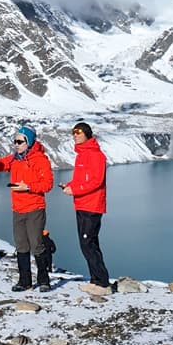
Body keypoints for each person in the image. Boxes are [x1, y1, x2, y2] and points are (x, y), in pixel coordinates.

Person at [0, 124, 54, 292]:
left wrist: (28, 187)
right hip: (18, 209)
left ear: (29, 142)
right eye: (15, 141)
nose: (16, 144)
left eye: (19, 141)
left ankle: (44, 280)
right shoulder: (14, 158)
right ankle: (25, 281)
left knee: (36, 245)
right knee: (21, 246)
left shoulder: (40, 160)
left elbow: (47, 184)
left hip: (35, 209)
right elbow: (0, 167)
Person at [61, 121, 112, 295]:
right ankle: (95, 281)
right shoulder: (81, 155)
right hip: (82, 204)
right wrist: (68, 185)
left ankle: (103, 284)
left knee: (88, 244)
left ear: (87, 134)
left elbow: (96, 181)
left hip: (92, 206)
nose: (74, 135)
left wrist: (74, 189)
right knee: (89, 244)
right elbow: (82, 179)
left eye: (78, 132)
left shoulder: (96, 155)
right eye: (73, 132)